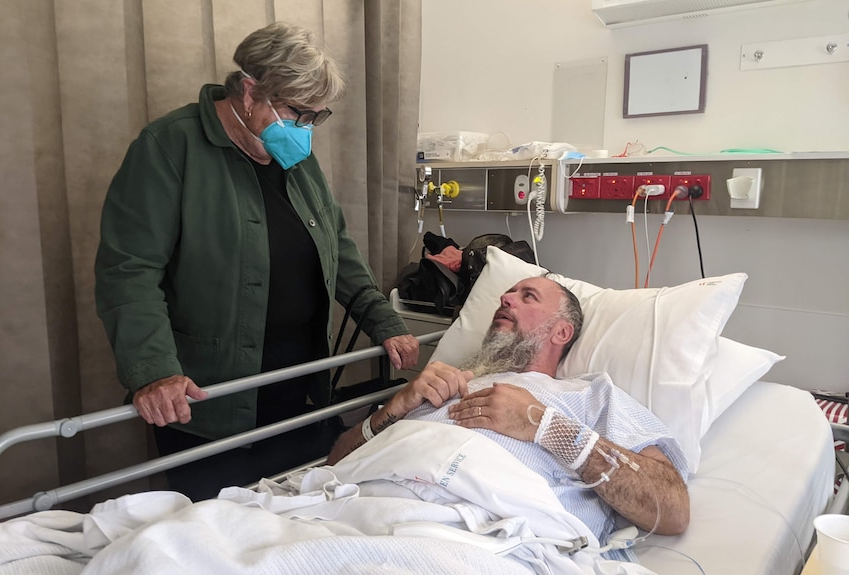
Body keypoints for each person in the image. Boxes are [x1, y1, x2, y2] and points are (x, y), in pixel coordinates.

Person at [95, 22, 419, 501]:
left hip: (301, 390)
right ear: (250, 92)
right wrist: (154, 370)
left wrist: (384, 321)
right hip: (214, 401)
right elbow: (129, 270)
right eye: (296, 112)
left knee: (302, 517)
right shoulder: (170, 148)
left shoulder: (294, 158)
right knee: (221, 533)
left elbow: (338, 248)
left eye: (316, 116)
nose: (305, 128)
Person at [328, 275, 690, 548]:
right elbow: (332, 467)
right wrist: (392, 409)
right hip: (348, 509)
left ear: (562, 332)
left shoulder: (590, 395)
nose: (505, 298)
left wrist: (543, 424)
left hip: (463, 536)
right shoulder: (448, 381)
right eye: (509, 292)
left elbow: (671, 510)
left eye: (527, 296)